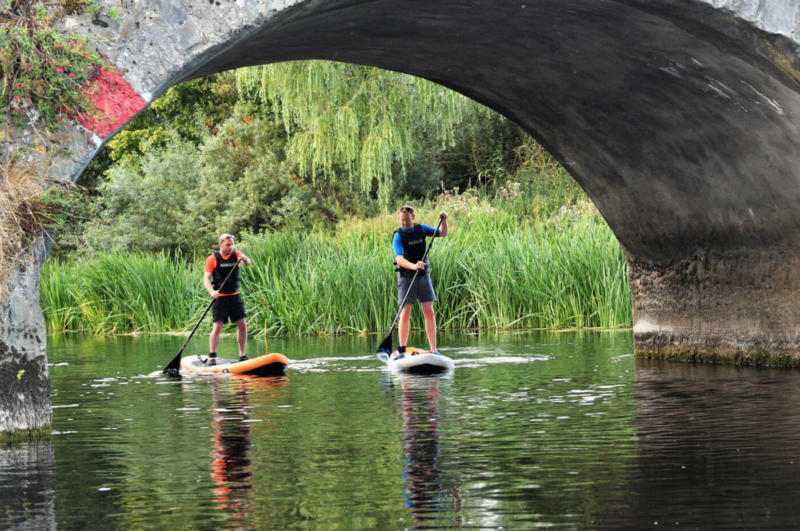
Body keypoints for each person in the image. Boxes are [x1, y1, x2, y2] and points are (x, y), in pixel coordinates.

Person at [393, 206, 448, 356]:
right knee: (405, 314)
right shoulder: (398, 235)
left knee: (429, 312)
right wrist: (414, 266)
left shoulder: (421, 229)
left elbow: (443, 233)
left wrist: (444, 220)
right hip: (405, 277)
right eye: (402, 220)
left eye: (407, 219)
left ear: (413, 217)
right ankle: (402, 350)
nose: (405, 222)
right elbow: (399, 259)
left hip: (423, 276)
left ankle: (433, 349)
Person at [204, 233, 252, 365]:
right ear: (220, 244)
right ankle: (212, 356)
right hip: (220, 298)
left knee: (242, 325)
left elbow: (248, 263)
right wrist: (212, 291)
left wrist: (245, 259)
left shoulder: (236, 254)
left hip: (235, 297)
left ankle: (242, 355)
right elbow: (206, 278)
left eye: (232, 244)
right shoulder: (212, 258)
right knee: (217, 326)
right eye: (227, 245)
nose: (230, 247)